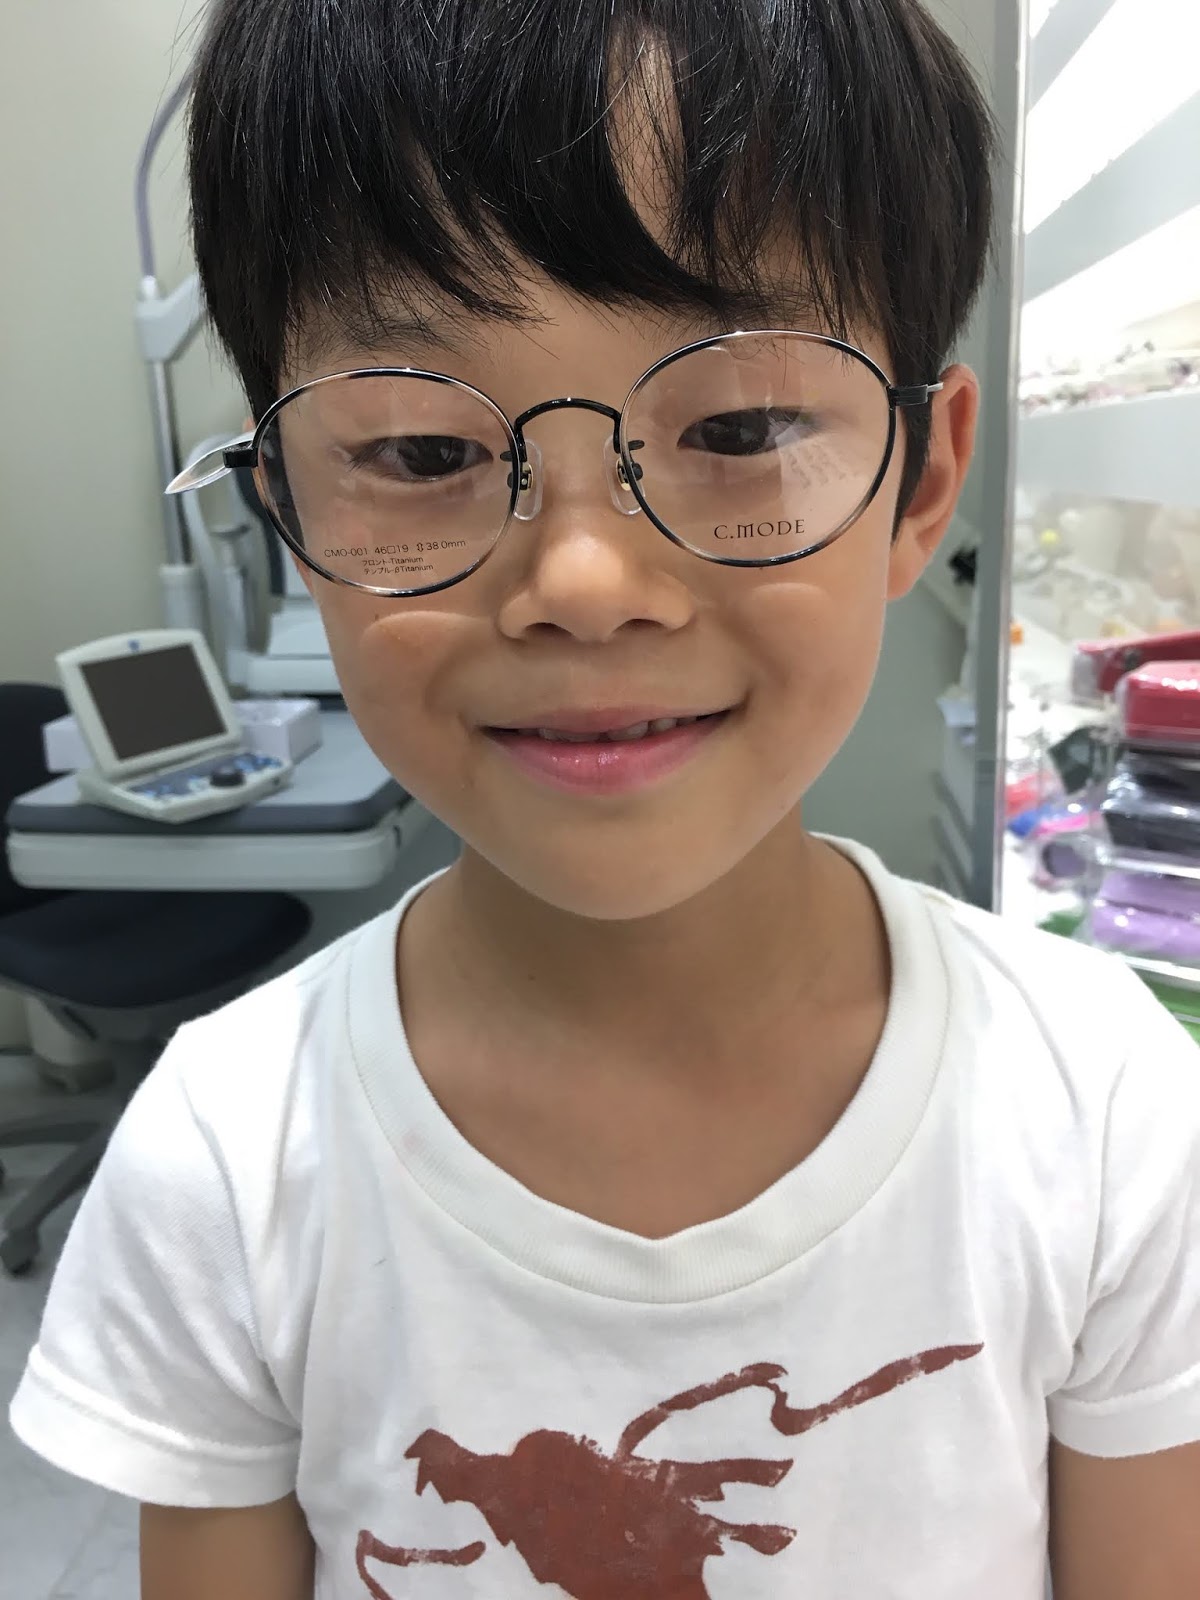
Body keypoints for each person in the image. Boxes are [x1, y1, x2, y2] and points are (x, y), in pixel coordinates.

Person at [10, 1, 1200, 1595]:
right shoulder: (224, 1160)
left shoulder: (1104, 1106)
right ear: (284, 497)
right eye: (421, 450)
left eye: (740, 427)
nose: (581, 582)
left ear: (920, 483)